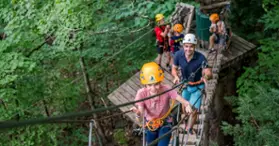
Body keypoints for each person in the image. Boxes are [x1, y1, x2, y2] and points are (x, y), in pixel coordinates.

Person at [130, 62, 192, 146]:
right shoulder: (141, 93)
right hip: (151, 125)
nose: (153, 88)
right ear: (144, 84)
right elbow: (140, 117)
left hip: (165, 123)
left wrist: (187, 104)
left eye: (156, 84)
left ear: (160, 81)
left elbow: (177, 97)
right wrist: (138, 114)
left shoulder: (166, 89)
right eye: (149, 85)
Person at [171, 33, 212, 134]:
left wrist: (205, 77)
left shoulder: (201, 58)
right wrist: (176, 76)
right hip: (185, 85)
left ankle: (189, 128)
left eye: (191, 46)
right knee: (185, 109)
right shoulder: (178, 55)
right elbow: (174, 68)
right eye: (186, 46)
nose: (188, 49)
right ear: (183, 46)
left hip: (197, 86)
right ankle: (186, 121)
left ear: (194, 47)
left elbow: (209, 72)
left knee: (193, 110)